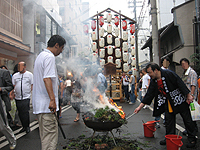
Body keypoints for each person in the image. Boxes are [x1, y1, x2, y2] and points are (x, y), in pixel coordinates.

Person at [134, 63, 197, 148]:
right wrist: (139, 107)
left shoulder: (169, 74)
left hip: (179, 99)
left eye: (150, 72)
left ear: (156, 70)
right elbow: (149, 95)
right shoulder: (154, 81)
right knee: (169, 120)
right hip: (168, 102)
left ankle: (192, 138)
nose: (149, 75)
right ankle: (169, 137)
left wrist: (188, 95)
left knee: (187, 120)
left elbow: (180, 83)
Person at [32, 35, 66, 150]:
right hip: (47, 106)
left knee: (45, 138)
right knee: (50, 140)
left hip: (40, 106)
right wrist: (52, 100)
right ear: (56, 45)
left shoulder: (40, 56)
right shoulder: (49, 57)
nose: (61, 51)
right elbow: (47, 79)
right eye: (61, 48)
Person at [12, 62, 33, 134]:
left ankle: (27, 126)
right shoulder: (15, 75)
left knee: (25, 112)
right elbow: (13, 85)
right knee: (20, 112)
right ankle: (23, 126)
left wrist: (30, 92)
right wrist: (12, 94)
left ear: (25, 66)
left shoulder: (29, 75)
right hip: (18, 97)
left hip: (26, 96)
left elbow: (32, 85)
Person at [180, 58, 198, 135]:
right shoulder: (185, 73)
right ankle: (191, 129)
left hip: (190, 96)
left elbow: (193, 85)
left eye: (184, 64)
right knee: (189, 114)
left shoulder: (192, 72)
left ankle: (193, 130)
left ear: (188, 63)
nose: (183, 65)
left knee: (191, 114)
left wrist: (191, 96)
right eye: (182, 64)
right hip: (186, 96)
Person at [0, 68, 16, 149]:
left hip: (1, 100)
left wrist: (1, 89)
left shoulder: (4, 72)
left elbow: (10, 86)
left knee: (3, 125)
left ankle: (12, 141)